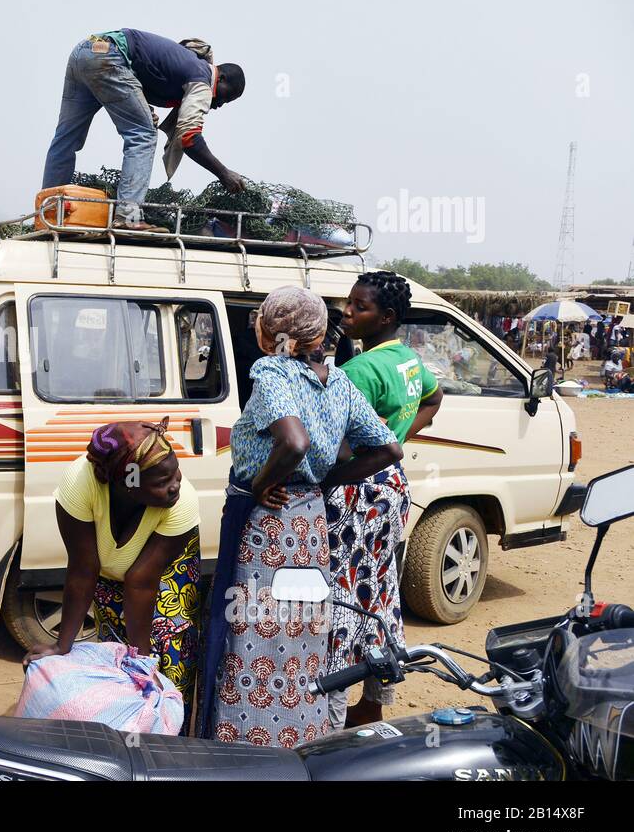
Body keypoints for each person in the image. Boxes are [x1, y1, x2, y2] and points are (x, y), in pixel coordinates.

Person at [201, 286, 402, 748]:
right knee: (299, 632)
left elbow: (293, 443)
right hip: (310, 526)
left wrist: (260, 484)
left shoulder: (273, 370)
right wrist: (327, 481)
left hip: (266, 521)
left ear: (271, 329)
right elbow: (390, 449)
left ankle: (244, 745)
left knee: (251, 629)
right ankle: (297, 740)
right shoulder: (339, 382)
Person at [25, 417, 203, 729]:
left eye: (175, 472)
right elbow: (83, 569)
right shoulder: (79, 485)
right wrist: (61, 646)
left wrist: (143, 664)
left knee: (170, 658)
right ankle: (116, 750)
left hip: (165, 570)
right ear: (128, 482)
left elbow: (141, 582)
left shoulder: (181, 501)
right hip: (105, 568)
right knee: (114, 657)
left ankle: (168, 748)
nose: (175, 484)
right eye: (162, 482)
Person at [326, 272, 443, 728]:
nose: (348, 314)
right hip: (391, 487)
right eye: (348, 304)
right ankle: (375, 701)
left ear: (386, 317)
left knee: (341, 598)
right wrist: (398, 435)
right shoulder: (408, 361)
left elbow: (334, 442)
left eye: (359, 307)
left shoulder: (358, 371)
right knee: (381, 592)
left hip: (356, 490)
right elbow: (435, 399)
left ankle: (331, 716)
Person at [42, 29, 246, 231]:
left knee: (66, 138)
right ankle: (128, 217)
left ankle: (47, 211)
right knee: (144, 135)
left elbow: (138, 74)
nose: (220, 104)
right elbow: (189, 137)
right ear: (222, 78)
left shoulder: (184, 64)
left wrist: (145, 110)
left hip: (85, 51)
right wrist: (223, 173)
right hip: (111, 58)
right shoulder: (202, 78)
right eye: (227, 97)